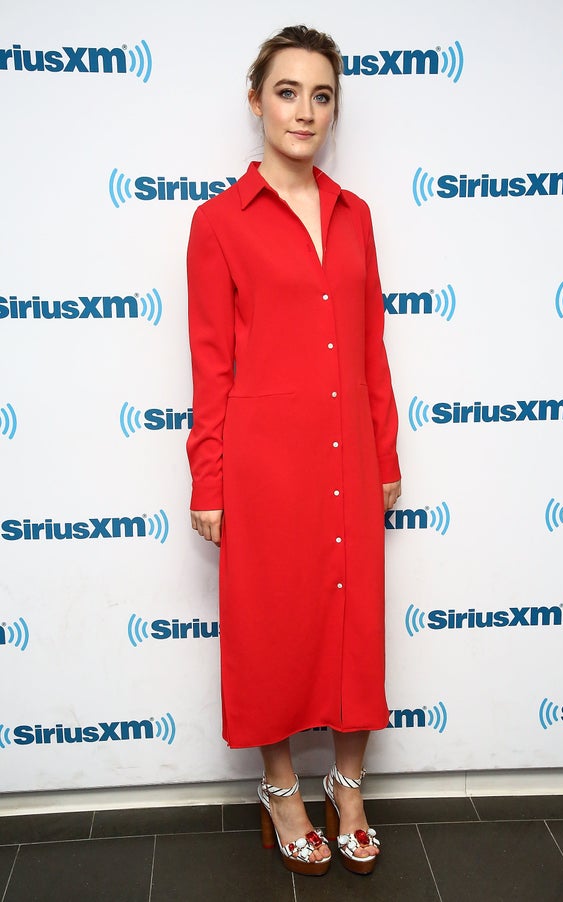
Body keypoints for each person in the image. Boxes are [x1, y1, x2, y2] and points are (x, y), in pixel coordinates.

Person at [186, 24, 401, 877]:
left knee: (353, 624)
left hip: (350, 454)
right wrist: (210, 479)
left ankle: (348, 789)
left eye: (321, 95)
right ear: (256, 101)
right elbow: (211, 363)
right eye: (287, 92)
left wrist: (386, 456)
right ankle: (280, 790)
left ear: (334, 109)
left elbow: (370, 345)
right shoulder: (217, 223)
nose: (304, 111)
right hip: (265, 465)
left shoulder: (356, 216)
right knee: (270, 627)